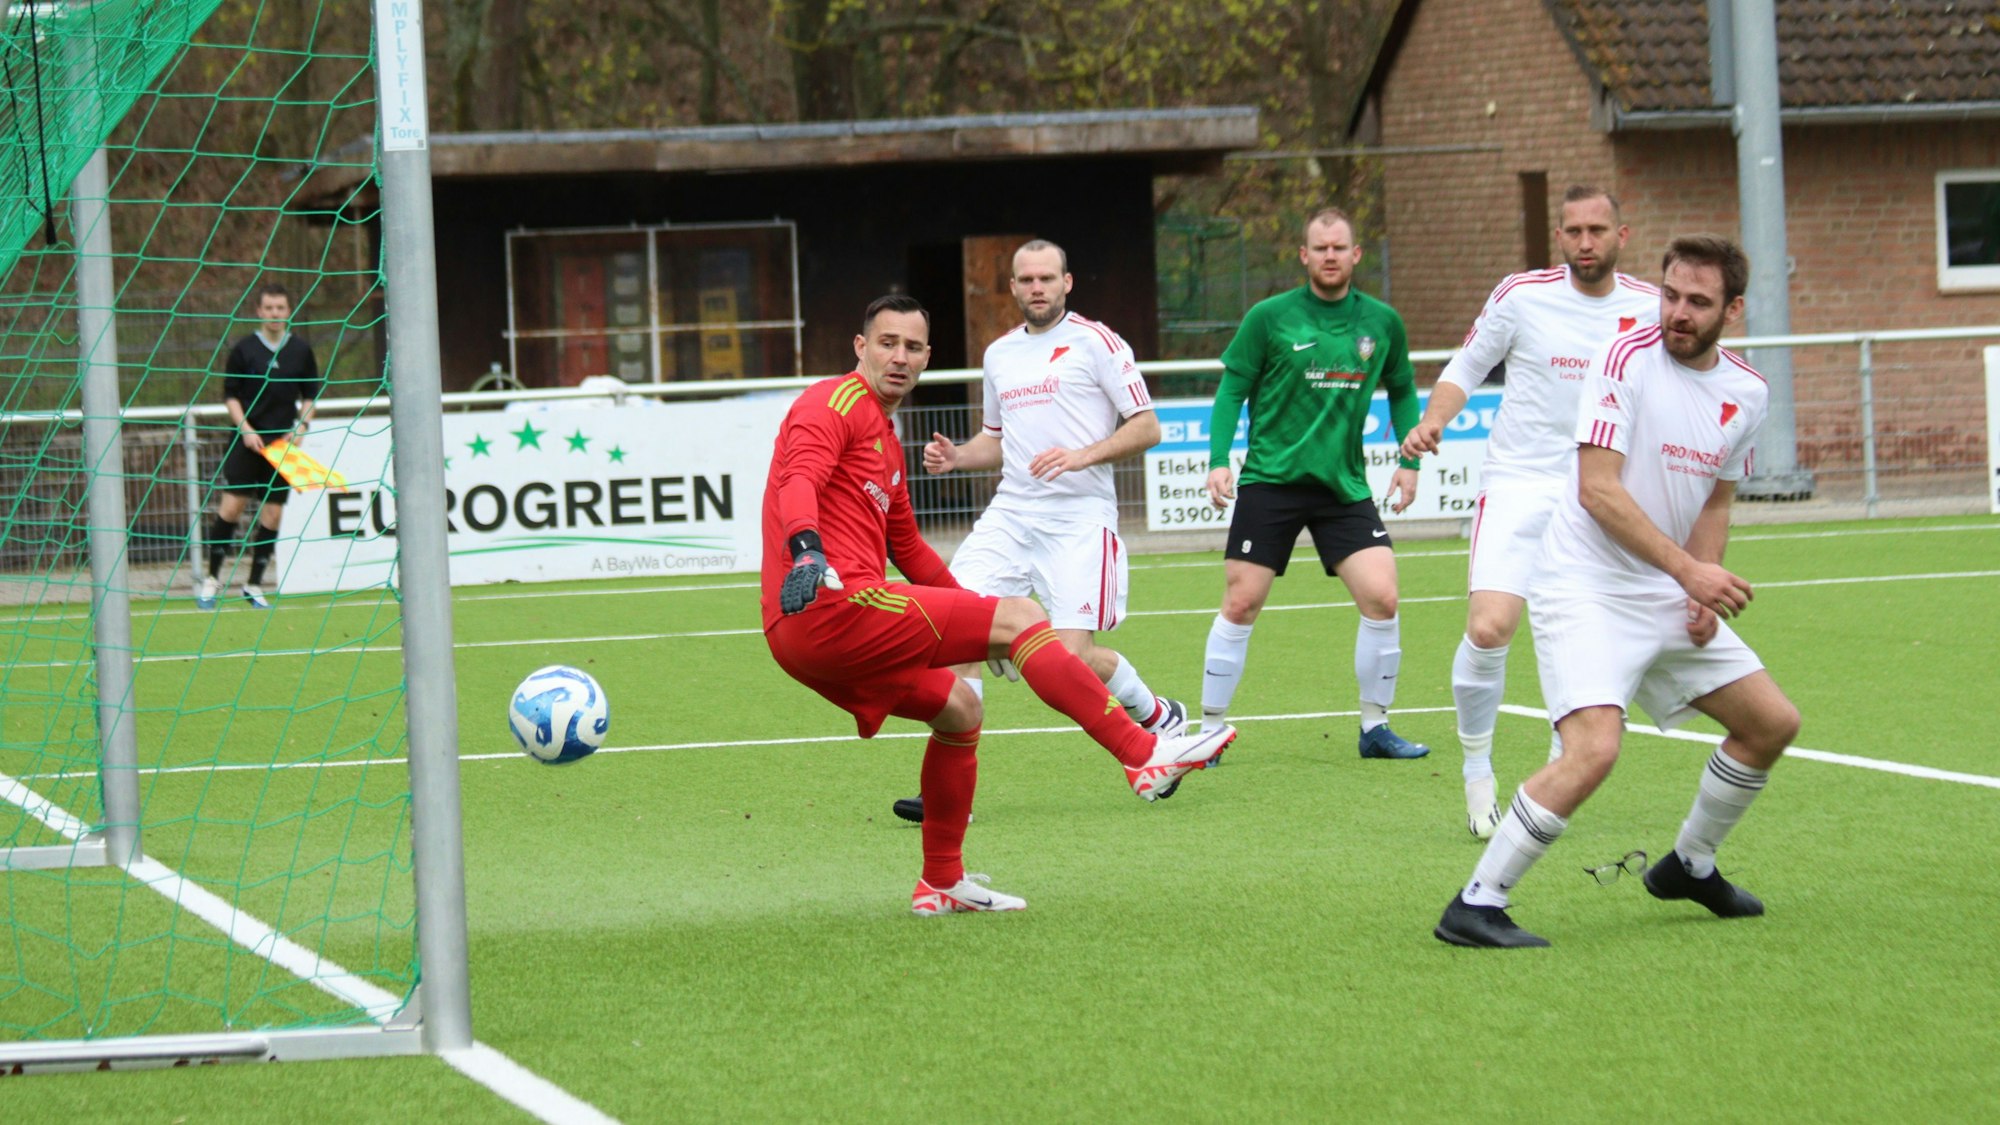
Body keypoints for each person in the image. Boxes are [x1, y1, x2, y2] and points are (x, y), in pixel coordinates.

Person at [761, 294, 1237, 916]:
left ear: (928, 357)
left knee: (960, 709)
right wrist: (806, 549)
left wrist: (979, 629)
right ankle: (1143, 754)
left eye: (911, 347)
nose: (898, 357)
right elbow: (800, 476)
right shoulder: (832, 402)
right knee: (1020, 614)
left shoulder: (885, 440)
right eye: (886, 343)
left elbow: (910, 550)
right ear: (860, 347)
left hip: (811, 637)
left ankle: (941, 883)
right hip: (831, 604)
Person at [1433, 234, 1801, 949]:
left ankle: (1690, 865)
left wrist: (1701, 578)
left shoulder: (1747, 391)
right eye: (1669, 295)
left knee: (1771, 723)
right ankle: (1476, 902)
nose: (1678, 313)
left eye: (1698, 301)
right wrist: (1688, 572)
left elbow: (1716, 498)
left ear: (1734, 308)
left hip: (1662, 586)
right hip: (1586, 585)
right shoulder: (1624, 358)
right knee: (1593, 748)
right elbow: (1597, 491)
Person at [890, 241, 1185, 824]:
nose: (1037, 288)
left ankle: (1154, 714)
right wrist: (957, 457)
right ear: (1014, 288)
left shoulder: (1098, 342)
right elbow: (997, 442)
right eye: (1025, 279)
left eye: (1047, 277)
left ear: (1067, 282)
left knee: (1066, 662)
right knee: (952, 631)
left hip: (1079, 520)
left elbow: (1148, 426)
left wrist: (1083, 456)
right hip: (1011, 515)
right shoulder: (999, 354)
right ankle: (949, 793)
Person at [1400, 186, 1661, 839]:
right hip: (1519, 480)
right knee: (1490, 629)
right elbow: (1468, 363)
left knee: (1584, 637)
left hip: (1600, 493)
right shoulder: (1521, 295)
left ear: (1621, 236)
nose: (1584, 241)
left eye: (1598, 229)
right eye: (1573, 229)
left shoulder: (1651, 309)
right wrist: (1433, 420)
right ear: (1561, 236)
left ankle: (1554, 773)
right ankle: (1477, 773)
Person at [1199, 207, 1429, 760]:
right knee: (1241, 601)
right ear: (1304, 256)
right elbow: (1232, 390)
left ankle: (1375, 728)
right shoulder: (1269, 317)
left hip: (1342, 487)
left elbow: (1401, 388)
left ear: (1355, 255)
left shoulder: (1382, 323)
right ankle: (1207, 731)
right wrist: (1218, 458)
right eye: (1319, 248)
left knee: (1383, 596)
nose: (1330, 256)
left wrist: (1409, 459)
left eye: (1339, 247)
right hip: (1270, 482)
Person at [197, 283, 320, 610]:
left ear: (288, 311)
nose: (275, 314)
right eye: (269, 308)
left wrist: (302, 426)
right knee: (232, 509)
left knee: (273, 513)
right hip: (247, 442)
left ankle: (254, 584)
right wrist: (246, 430)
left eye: (280, 308)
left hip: (282, 446)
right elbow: (230, 395)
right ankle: (212, 579)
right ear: (259, 311)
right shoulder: (244, 349)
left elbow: (310, 395)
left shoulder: (300, 351)